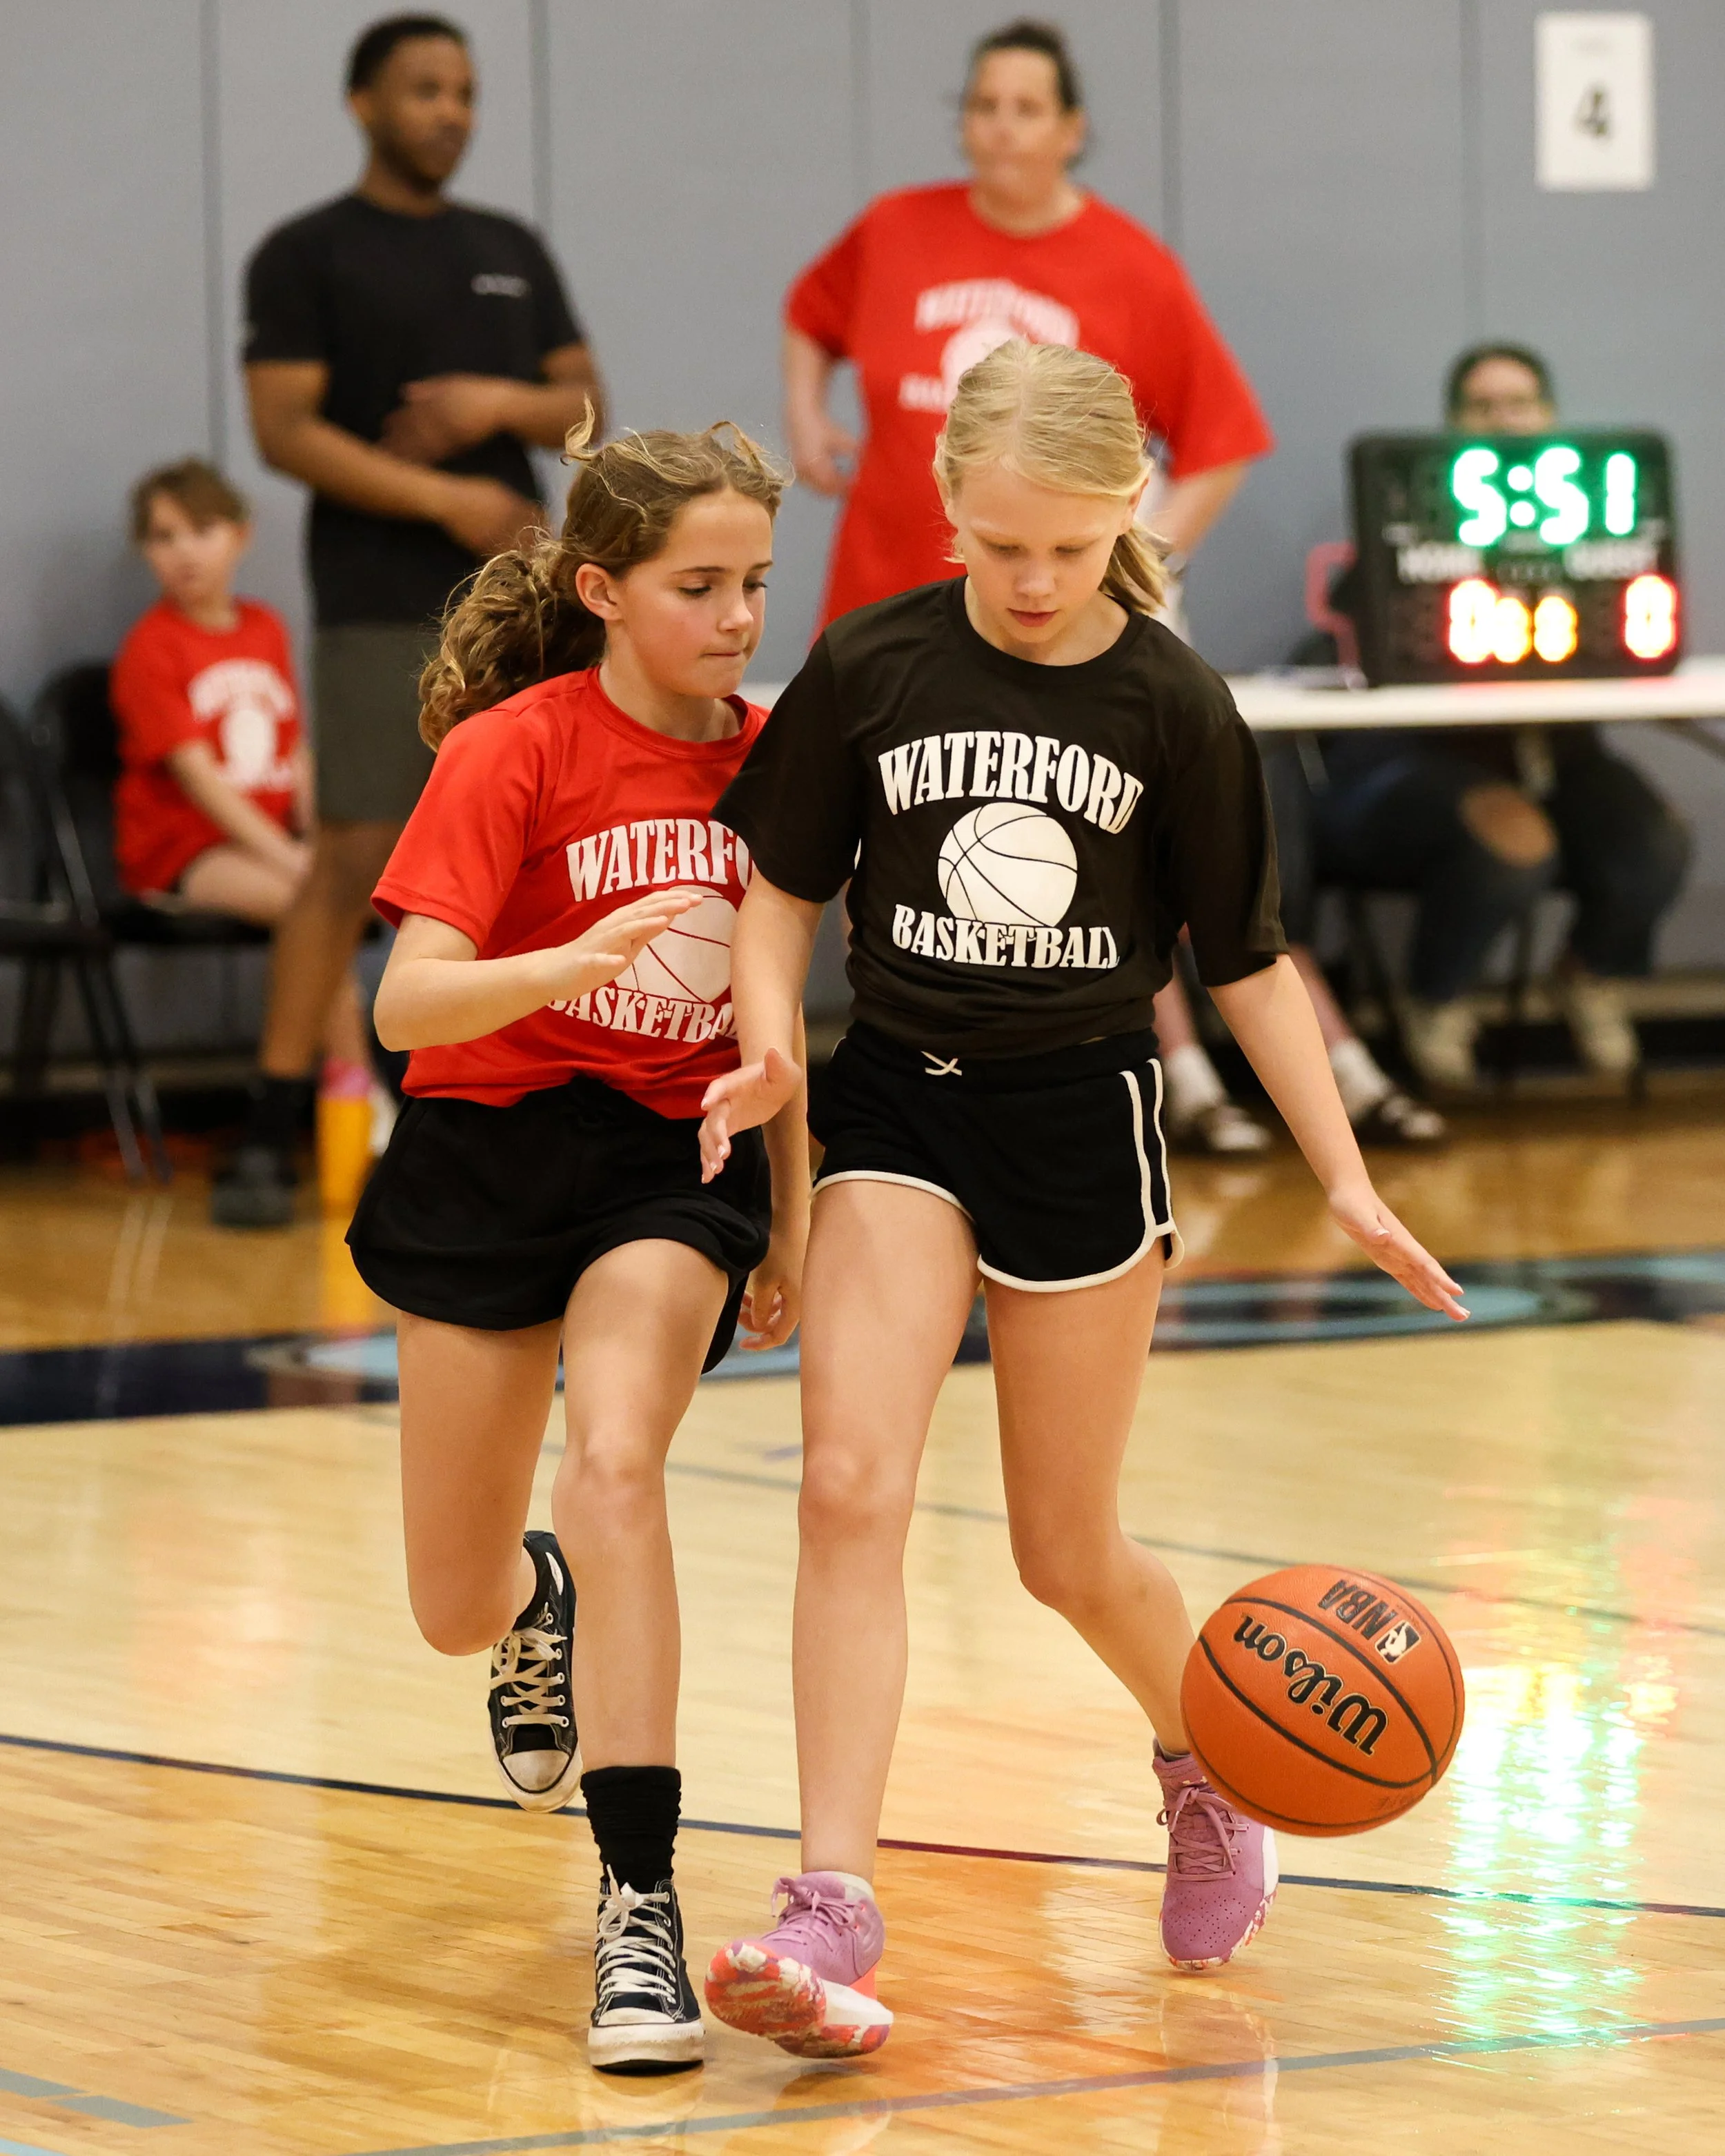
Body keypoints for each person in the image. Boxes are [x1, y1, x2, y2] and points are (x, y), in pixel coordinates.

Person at [695, 342, 1466, 2057]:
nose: (1033, 583)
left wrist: (1343, 1177)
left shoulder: (1174, 704)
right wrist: (770, 1053)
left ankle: (1205, 1768)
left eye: (1067, 547)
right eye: (1000, 547)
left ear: (1126, 511)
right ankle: (832, 1897)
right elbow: (776, 892)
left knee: (1063, 1546)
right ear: (947, 510)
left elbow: (1249, 967)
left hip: (1083, 1117)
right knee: (845, 1485)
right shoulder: (874, 662)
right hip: (900, 1100)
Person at [348, 418, 807, 2075]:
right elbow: (407, 1004)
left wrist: (796, 1224)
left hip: (668, 1159)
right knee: (452, 1606)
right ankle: (533, 1601)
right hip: (484, 1148)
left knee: (614, 1462)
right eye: (700, 585)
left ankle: (639, 1906)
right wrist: (568, 958)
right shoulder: (516, 752)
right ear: (604, 589)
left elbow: (777, 1024)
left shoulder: (773, 760)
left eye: (757, 580)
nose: (740, 616)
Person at [785, 17, 1277, 1155]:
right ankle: (901, 1087)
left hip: (1044, 636)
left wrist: (1135, 552)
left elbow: (1224, 437)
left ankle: (1134, 1075)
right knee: (877, 861)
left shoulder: (1130, 265)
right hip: (887, 600)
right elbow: (810, 317)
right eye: (981, 105)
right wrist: (809, 414)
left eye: (1023, 107)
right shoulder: (895, 228)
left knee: (1066, 859)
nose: (997, 127)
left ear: (1072, 129)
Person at [215, 11, 602, 1225]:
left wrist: (497, 400)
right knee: (353, 857)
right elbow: (284, 431)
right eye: (427, 90)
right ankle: (274, 1123)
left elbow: (583, 404)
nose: (453, 111)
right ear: (364, 103)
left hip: (527, 599)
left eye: (467, 92)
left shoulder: (511, 249)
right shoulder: (306, 253)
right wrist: (444, 497)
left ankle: (519, 1098)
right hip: (382, 600)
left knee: (537, 851)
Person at [1308, 342, 1690, 1090]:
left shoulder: (1597, 526)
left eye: (1518, 404)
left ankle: (1589, 973)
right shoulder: (1404, 531)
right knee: (1511, 832)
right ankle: (1436, 1000)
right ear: (1453, 426)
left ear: (1549, 416)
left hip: (1560, 757)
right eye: (1483, 408)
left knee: (1657, 836)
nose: (1504, 422)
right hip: (1418, 763)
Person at [110, 459, 371, 1084]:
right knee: (313, 909)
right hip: (186, 853)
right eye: (162, 537)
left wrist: (320, 843)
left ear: (240, 536)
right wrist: (293, 860)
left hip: (273, 843)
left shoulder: (264, 628)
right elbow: (201, 782)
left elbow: (295, 753)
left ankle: (354, 1093)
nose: (183, 552)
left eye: (200, 530)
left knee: (325, 898)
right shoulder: (151, 648)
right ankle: (358, 1090)